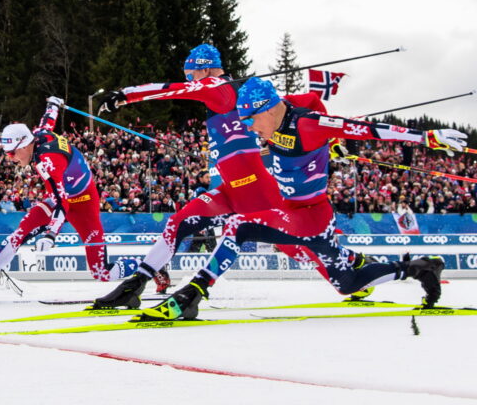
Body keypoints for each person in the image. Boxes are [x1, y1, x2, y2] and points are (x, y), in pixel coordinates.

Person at [139, 77, 463, 320]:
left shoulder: (307, 124)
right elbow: (308, 99)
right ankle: (421, 268)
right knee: (347, 284)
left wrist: (427, 137)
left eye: (252, 120)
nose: (252, 129)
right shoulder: (280, 110)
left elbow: (364, 129)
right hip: (309, 217)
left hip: (308, 217)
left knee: (240, 226)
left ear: (267, 110)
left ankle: (191, 294)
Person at [91, 44, 338, 309]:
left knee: (300, 250)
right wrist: (328, 135)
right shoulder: (242, 95)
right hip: (231, 191)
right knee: (177, 223)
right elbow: (308, 102)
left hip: (256, 190)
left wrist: (124, 95)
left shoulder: (217, 87)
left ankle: (351, 272)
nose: (191, 81)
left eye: (191, 75)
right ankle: (135, 284)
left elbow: (171, 89)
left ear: (205, 68)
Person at [0, 97, 141, 304]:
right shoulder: (38, 136)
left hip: (84, 202)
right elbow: (47, 121)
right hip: (61, 198)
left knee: (102, 272)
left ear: (24, 145)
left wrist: (51, 234)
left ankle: (148, 266)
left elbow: (63, 203)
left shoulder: (47, 162)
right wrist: (53, 105)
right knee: (19, 235)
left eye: (13, 152)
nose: (11, 158)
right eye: (7, 154)